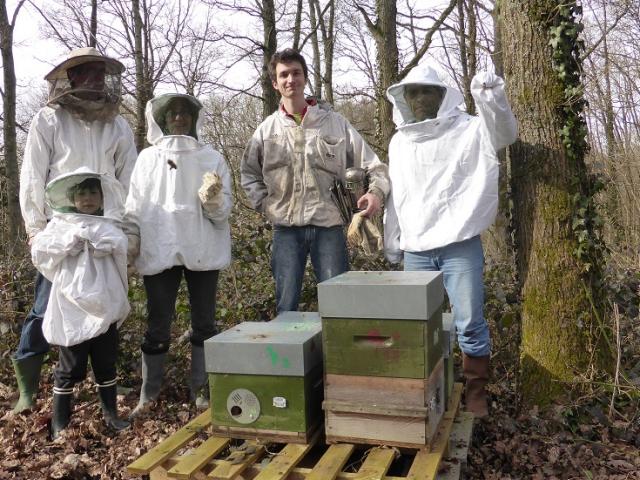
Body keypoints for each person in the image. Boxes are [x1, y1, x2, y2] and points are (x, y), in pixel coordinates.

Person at [384, 63, 518, 417]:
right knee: (418, 326)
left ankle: (475, 391)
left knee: (469, 318)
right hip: (416, 249)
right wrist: (392, 240)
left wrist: (491, 98)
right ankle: (428, 388)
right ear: (405, 99)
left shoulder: (471, 129)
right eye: (413, 92)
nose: (420, 98)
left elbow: (503, 133)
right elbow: (399, 195)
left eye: (428, 91)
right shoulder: (400, 142)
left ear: (443, 96)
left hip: (459, 244)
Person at [13, 47, 137, 413]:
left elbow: (129, 182)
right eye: (88, 72)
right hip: (61, 229)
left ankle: (103, 386)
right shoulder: (49, 120)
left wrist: (129, 232)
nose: (96, 78)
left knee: (106, 304)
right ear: (73, 77)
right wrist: (35, 228)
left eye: (101, 72)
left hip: (104, 230)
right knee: (43, 305)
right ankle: (27, 388)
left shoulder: (117, 124)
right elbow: (33, 176)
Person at [241, 48, 390, 313]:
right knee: (285, 306)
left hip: (328, 227)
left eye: (296, 73)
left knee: (339, 306)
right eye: (284, 75)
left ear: (305, 78)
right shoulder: (266, 130)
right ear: (275, 84)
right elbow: (249, 174)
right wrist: (265, 205)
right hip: (286, 230)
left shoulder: (334, 123)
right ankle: (288, 356)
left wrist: (375, 193)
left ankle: (337, 355)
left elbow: (374, 166)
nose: (291, 80)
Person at [125, 93, 232, 416]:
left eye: (185, 113)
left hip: (202, 247)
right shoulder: (148, 158)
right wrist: (131, 239)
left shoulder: (210, 157)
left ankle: (200, 390)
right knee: (158, 324)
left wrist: (212, 200)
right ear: (162, 119)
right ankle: (149, 393)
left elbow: (224, 210)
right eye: (173, 113)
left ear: (194, 118)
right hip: (159, 246)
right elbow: (134, 204)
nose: (179, 118)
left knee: (204, 323)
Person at [30, 169, 130, 438]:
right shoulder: (60, 225)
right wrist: (67, 244)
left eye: (92, 192)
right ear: (72, 198)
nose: (87, 198)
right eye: (82, 193)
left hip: (105, 305)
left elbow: (121, 245)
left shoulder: (109, 224)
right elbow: (40, 251)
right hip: (73, 308)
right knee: (70, 367)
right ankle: (60, 422)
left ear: (101, 196)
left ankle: (111, 415)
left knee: (105, 363)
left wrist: (101, 244)